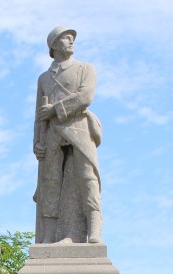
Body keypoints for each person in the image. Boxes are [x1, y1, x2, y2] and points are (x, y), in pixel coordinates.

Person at [33, 26, 103, 244]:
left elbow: (85, 97)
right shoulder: (44, 78)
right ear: (54, 46)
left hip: (79, 128)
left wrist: (55, 110)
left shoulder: (85, 69)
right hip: (52, 134)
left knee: (87, 178)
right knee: (50, 184)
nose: (71, 41)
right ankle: (48, 236)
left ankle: (94, 231)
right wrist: (37, 141)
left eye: (72, 38)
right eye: (65, 38)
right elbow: (38, 114)